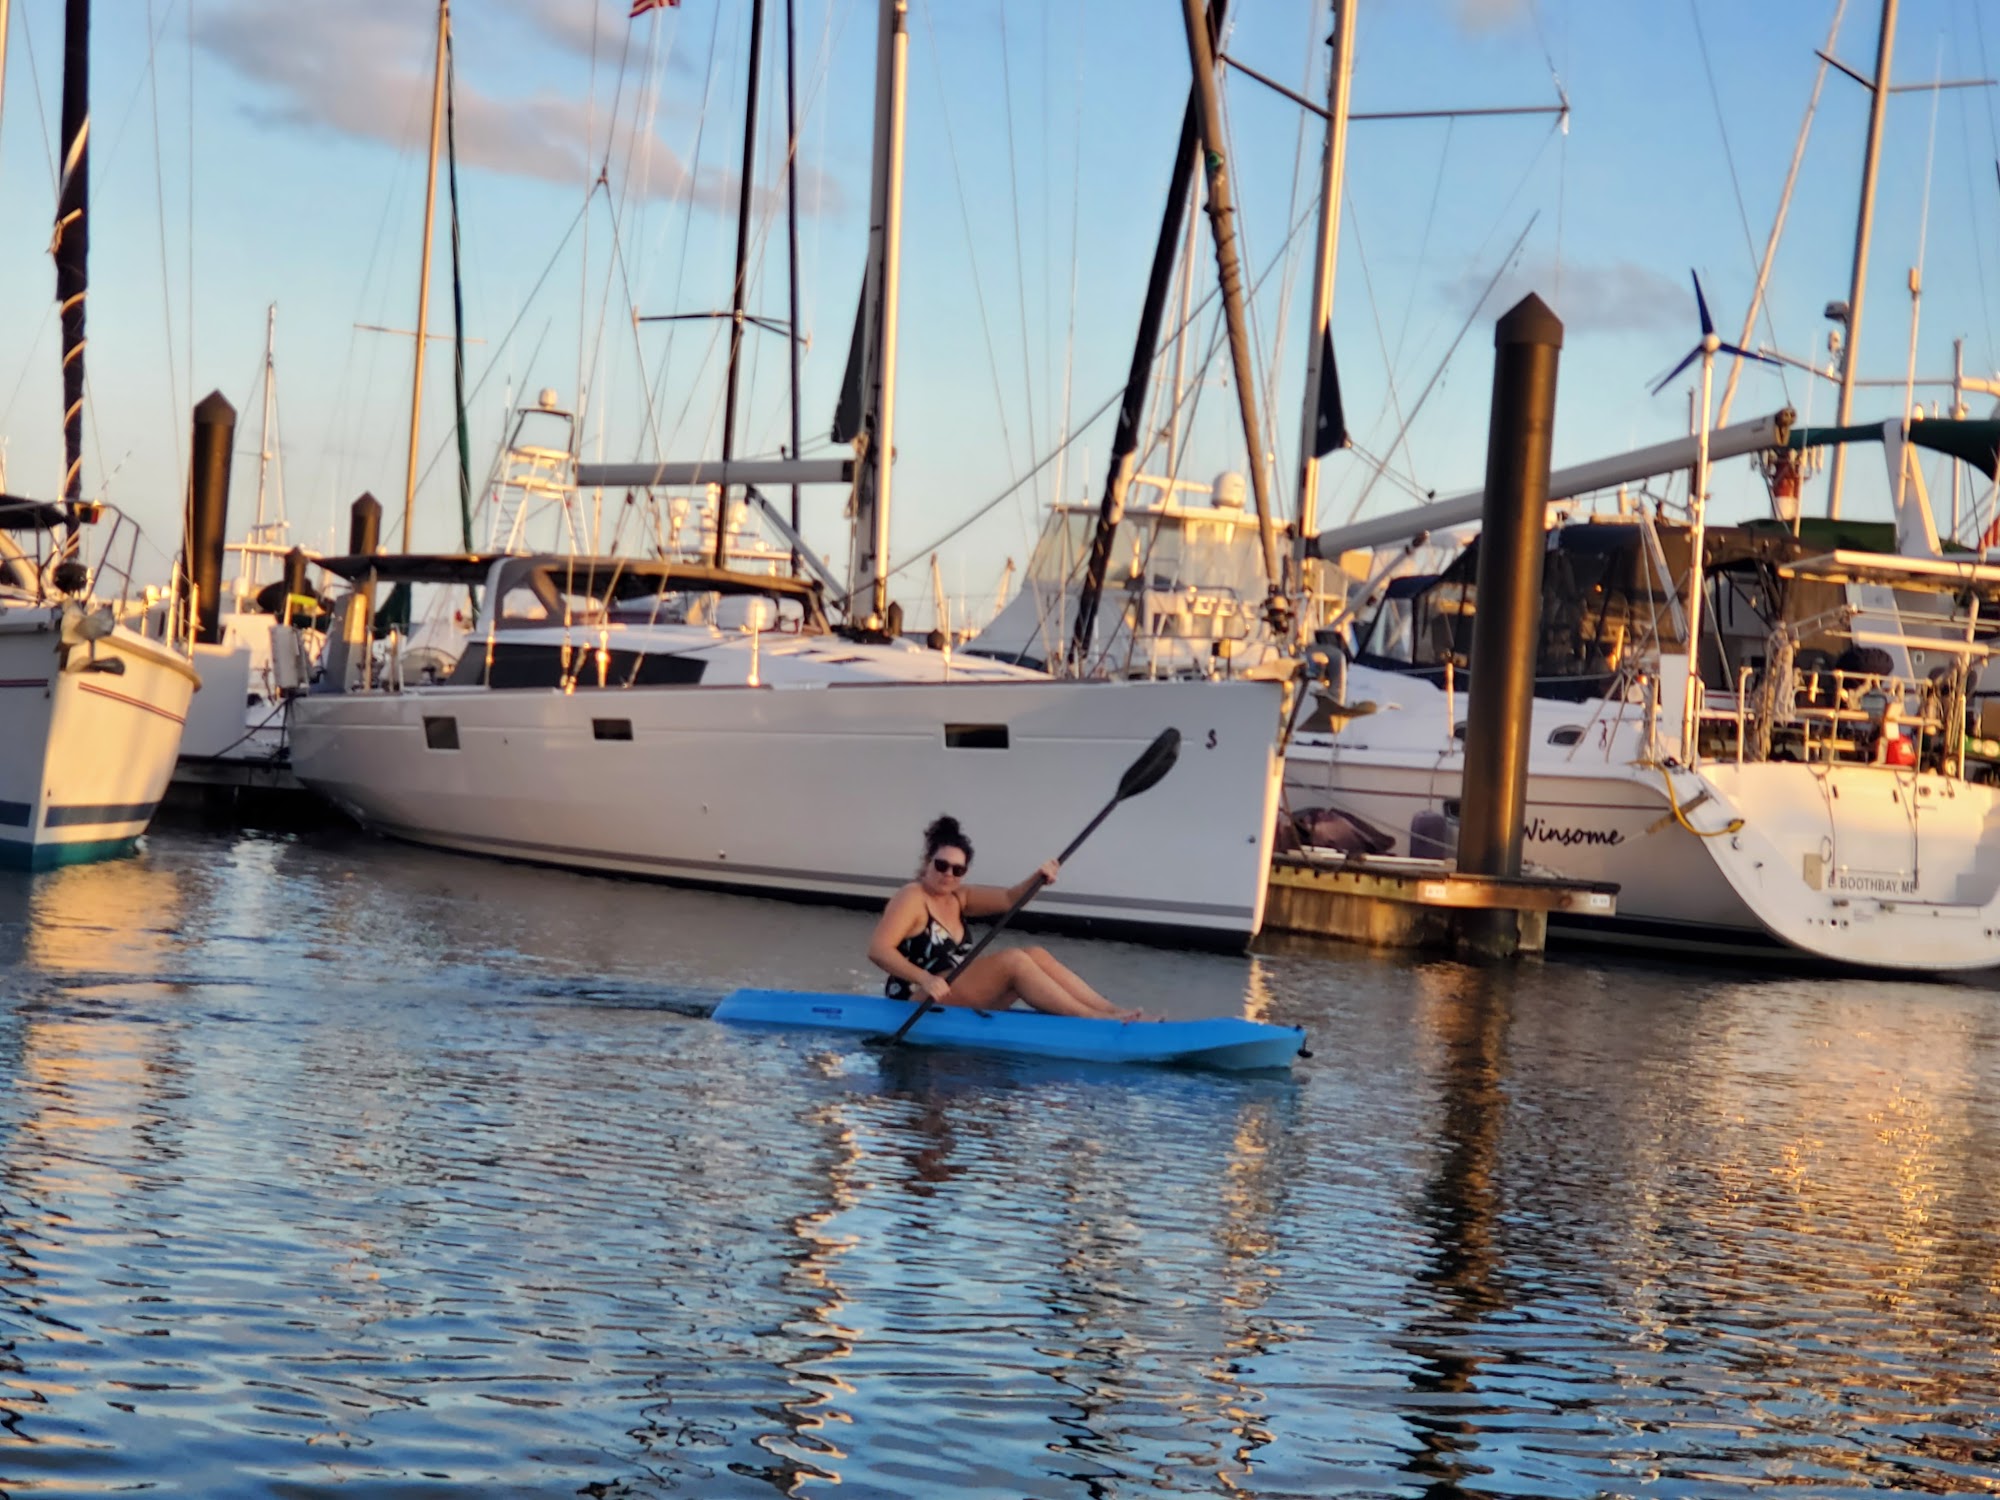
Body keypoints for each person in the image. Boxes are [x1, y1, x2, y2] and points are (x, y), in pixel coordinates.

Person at [868, 814, 1146, 1020]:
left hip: (957, 994)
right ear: (927, 862)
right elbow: (879, 950)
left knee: (1035, 953)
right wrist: (926, 979)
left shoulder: (959, 897)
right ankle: (1092, 1019)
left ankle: (1111, 1010)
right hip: (916, 1001)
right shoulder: (912, 896)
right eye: (941, 865)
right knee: (1013, 961)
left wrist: (1039, 877)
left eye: (957, 870)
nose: (948, 874)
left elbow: (1010, 899)